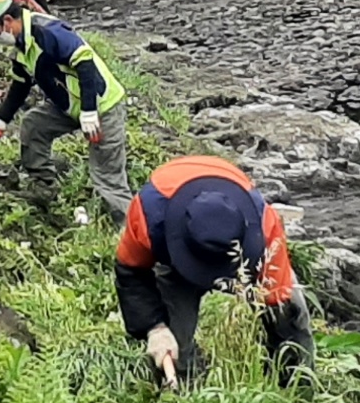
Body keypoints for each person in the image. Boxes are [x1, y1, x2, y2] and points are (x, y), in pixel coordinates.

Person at [115, 156, 313, 386]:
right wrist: (154, 328)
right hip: (176, 247)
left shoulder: (265, 230)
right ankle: (182, 396)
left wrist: (287, 356)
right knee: (173, 346)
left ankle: (300, 391)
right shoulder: (149, 215)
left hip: (240, 251)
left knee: (292, 316)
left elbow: (280, 303)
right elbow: (130, 272)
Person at [0, 0, 128, 210]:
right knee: (34, 125)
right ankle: (44, 186)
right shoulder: (21, 47)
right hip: (67, 104)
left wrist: (90, 110)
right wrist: (1, 120)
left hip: (102, 104)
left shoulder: (46, 31)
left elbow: (85, 62)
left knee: (107, 176)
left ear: (7, 21)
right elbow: (21, 84)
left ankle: (127, 231)